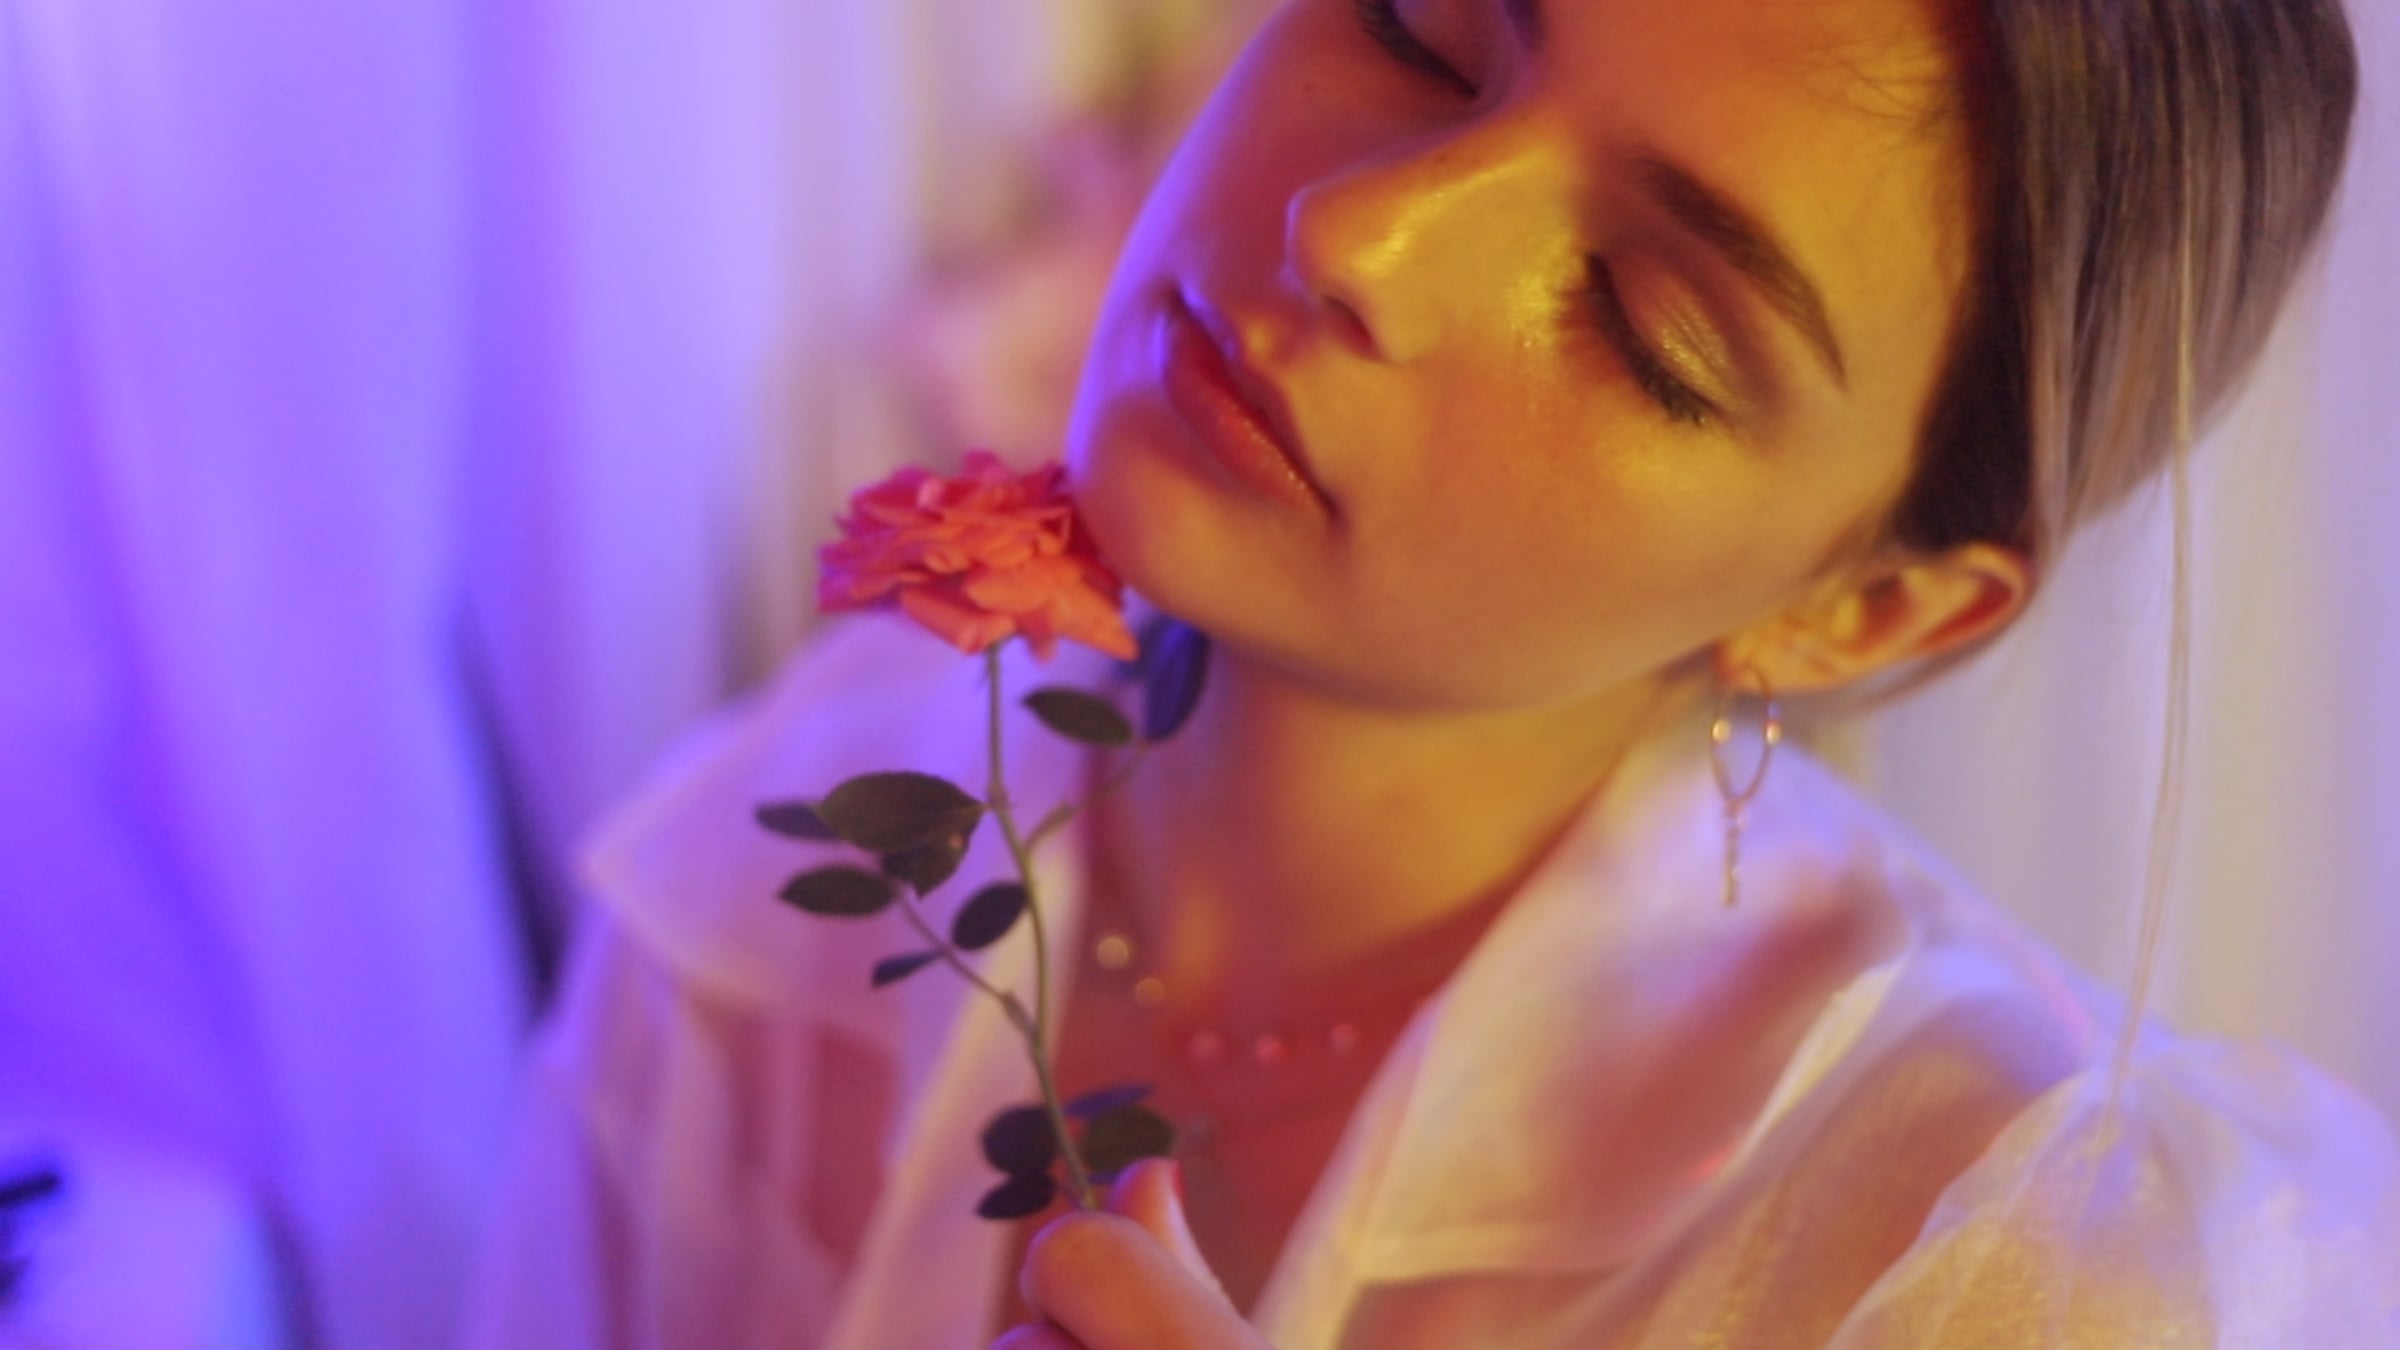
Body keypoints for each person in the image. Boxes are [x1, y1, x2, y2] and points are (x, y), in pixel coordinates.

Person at [463, 0, 2396, 1345]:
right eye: (1416, 28)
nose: (1357, 234)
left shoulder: (2019, 1269)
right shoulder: (787, 874)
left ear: (1862, 614)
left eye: (1639, 320)